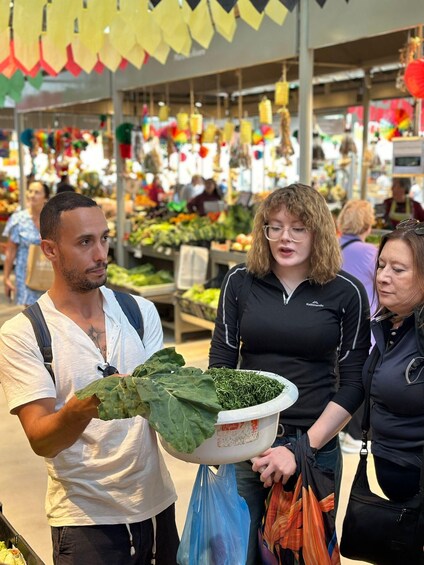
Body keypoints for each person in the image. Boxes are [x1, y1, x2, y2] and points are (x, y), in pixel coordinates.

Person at [0, 192, 179, 564]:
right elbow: (42, 440)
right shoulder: (24, 333)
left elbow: (167, 411)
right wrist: (84, 407)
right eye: (85, 242)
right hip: (85, 523)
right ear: (50, 250)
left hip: (157, 507)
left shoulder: (139, 313)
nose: (101, 254)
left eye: (105, 238)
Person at [208, 183, 371, 564]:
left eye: (298, 227)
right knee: (236, 555)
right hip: (245, 445)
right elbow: (220, 366)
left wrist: (301, 449)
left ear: (319, 231)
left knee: (305, 555)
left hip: (314, 448)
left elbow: (353, 385)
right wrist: (227, 436)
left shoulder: (345, 292)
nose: (285, 237)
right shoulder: (240, 281)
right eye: (274, 226)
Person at [364, 218, 424, 503]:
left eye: (398, 269)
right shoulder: (391, 324)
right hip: (397, 491)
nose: (383, 276)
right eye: (381, 265)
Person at [337, 199, 378, 454]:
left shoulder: (331, 246)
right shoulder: (371, 252)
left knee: (340, 378)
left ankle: (339, 430)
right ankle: (354, 435)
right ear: (367, 223)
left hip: (335, 327)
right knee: (361, 379)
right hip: (364, 327)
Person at [3, 181, 50, 306]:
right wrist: (6, 277)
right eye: (30, 191)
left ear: (45, 197)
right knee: (31, 315)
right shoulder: (18, 219)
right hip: (25, 275)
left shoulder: (52, 219)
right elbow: (11, 251)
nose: (32, 195)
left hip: (48, 272)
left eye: (37, 192)